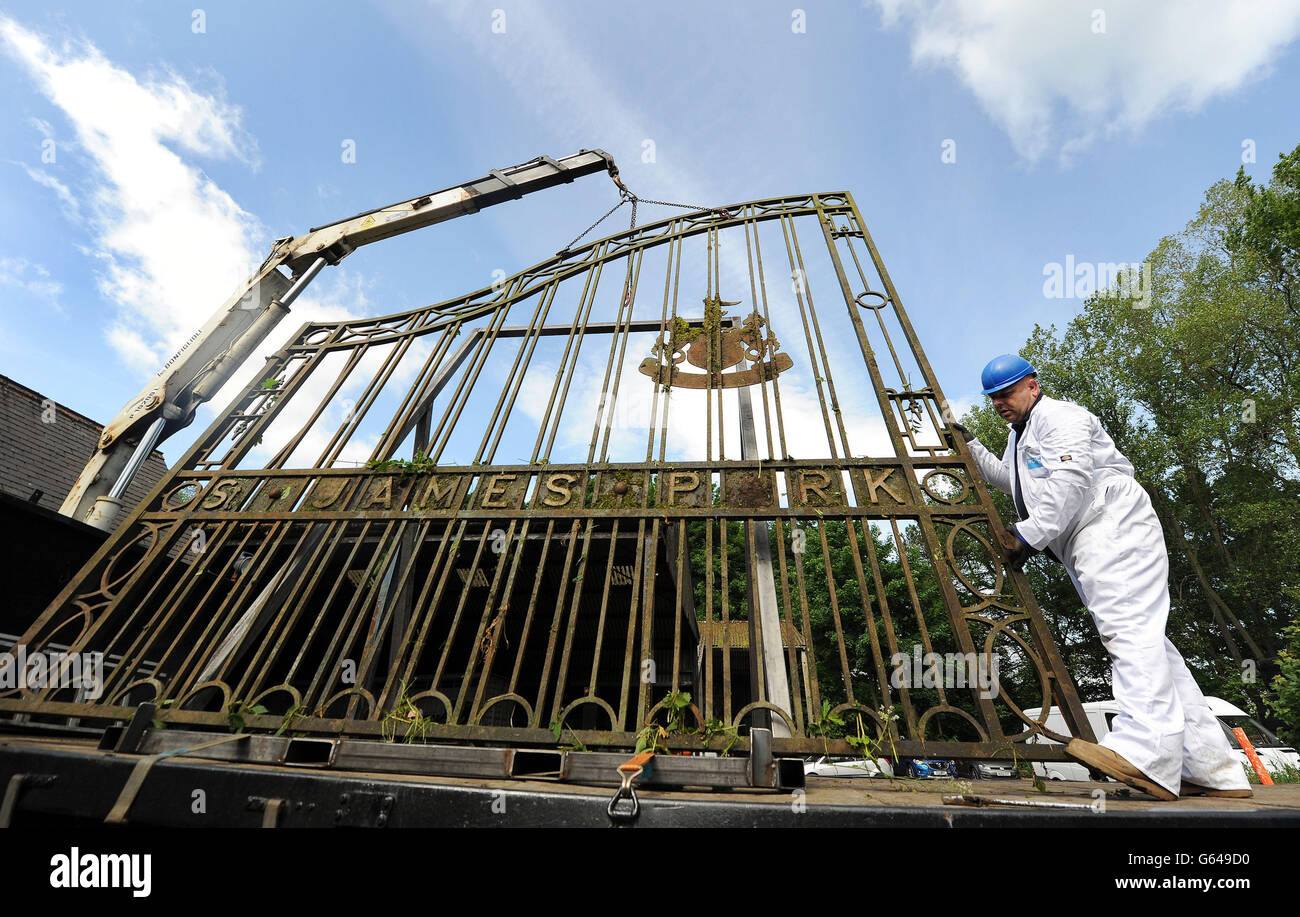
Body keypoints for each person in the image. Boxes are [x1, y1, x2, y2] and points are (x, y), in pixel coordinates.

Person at [952, 354, 1252, 801]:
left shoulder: (1061, 417)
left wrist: (1028, 536)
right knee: (1154, 647)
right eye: (993, 398)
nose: (1000, 403)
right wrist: (968, 442)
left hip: (1112, 524)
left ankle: (1147, 755)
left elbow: (1071, 478)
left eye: (1007, 393)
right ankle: (1211, 770)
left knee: (1127, 628)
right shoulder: (1022, 437)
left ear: (1033, 385)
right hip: (1087, 536)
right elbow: (1011, 481)